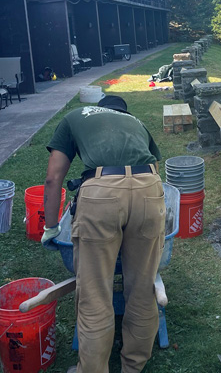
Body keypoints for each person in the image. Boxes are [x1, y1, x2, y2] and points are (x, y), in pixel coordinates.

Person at [41, 95, 166, 373]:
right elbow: (155, 168)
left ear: (97, 107)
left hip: (101, 194)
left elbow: (53, 177)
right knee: (143, 289)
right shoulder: (136, 122)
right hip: (150, 190)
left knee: (95, 294)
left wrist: (51, 227)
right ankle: (133, 367)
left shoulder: (75, 116)